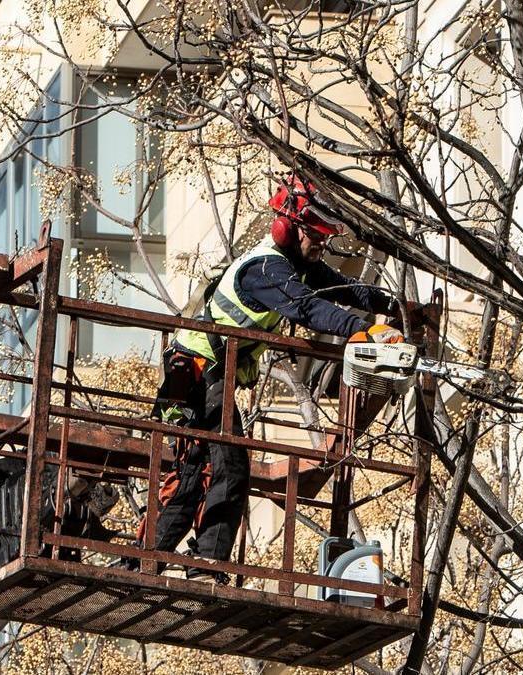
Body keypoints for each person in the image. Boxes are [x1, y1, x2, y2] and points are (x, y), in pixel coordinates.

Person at [145, 175, 405, 582]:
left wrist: (394, 306)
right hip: (197, 371)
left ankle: (152, 559)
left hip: (207, 373)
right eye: (315, 237)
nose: (321, 246)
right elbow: (305, 307)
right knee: (227, 464)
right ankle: (205, 561)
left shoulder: (292, 265)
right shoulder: (263, 269)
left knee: (197, 469)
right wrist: (360, 330)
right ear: (289, 228)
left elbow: (344, 288)